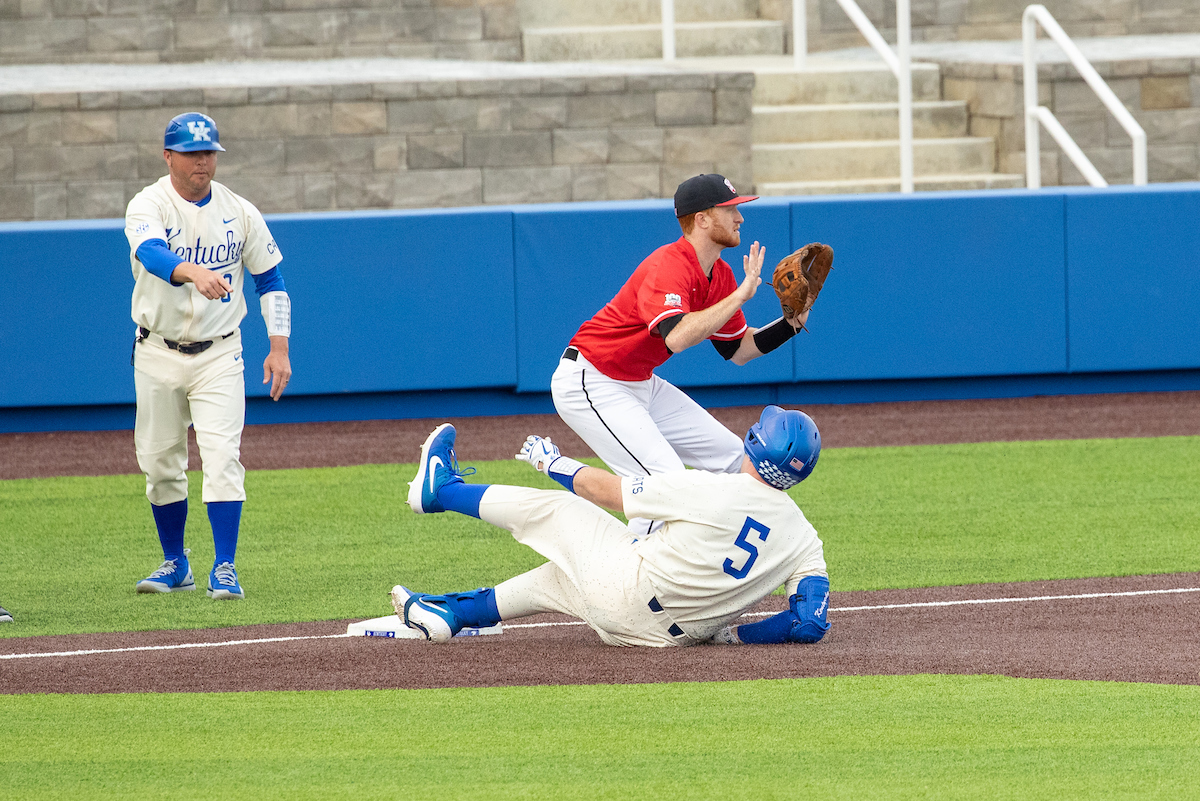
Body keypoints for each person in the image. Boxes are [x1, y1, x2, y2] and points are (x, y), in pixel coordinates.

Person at [392, 405, 830, 648]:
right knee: (558, 578)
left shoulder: (713, 489)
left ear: (754, 441)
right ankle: (451, 614)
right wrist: (737, 636)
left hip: (628, 590)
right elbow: (808, 623)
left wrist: (553, 463)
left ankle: (440, 491)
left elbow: (610, 492)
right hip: (663, 640)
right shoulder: (804, 540)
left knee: (562, 513)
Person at [552, 173, 810, 536]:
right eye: (731, 209)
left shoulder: (719, 274)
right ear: (703, 219)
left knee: (733, 458)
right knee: (664, 483)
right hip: (591, 379)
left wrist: (792, 323)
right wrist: (740, 296)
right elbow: (676, 337)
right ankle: (630, 580)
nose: (740, 218)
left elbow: (738, 350)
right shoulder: (668, 264)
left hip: (639, 383)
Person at [124, 112, 292, 601]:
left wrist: (278, 346)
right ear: (168, 156)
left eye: (209, 153)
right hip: (157, 349)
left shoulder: (239, 210)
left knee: (222, 457)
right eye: (193, 153)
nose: (203, 161)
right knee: (159, 462)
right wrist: (193, 272)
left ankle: (224, 565)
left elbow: (271, 279)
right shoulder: (149, 202)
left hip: (221, 352)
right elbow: (152, 254)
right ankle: (176, 563)